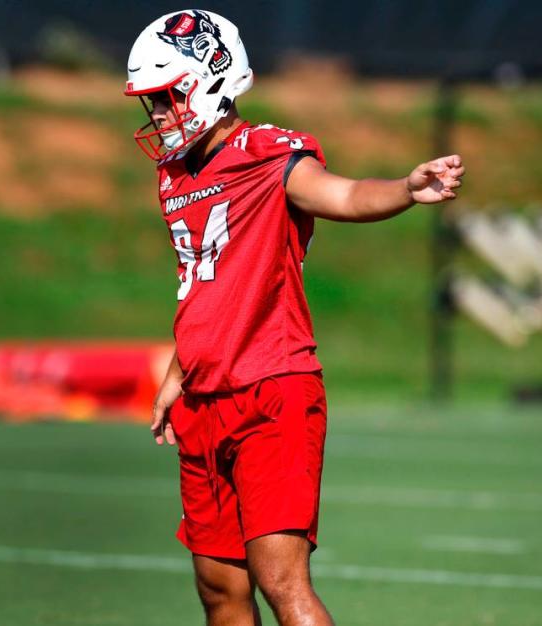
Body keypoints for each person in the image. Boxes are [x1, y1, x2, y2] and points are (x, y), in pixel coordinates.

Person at [124, 10, 464, 626]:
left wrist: (404, 189)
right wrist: (180, 370)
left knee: (282, 582)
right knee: (218, 590)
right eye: (151, 102)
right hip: (206, 398)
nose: (159, 114)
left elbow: (342, 195)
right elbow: (205, 283)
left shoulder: (267, 154)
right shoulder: (174, 175)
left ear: (212, 81)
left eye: (169, 97)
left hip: (271, 389)